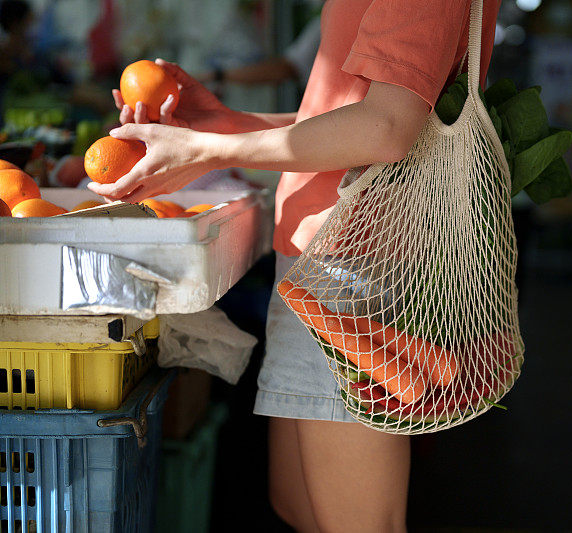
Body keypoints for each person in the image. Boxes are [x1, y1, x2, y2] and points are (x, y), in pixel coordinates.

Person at [94, 1, 500, 531]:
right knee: (298, 504)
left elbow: (389, 127)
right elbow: (354, 116)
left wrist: (210, 150)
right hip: (322, 260)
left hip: (354, 262)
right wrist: (220, 125)